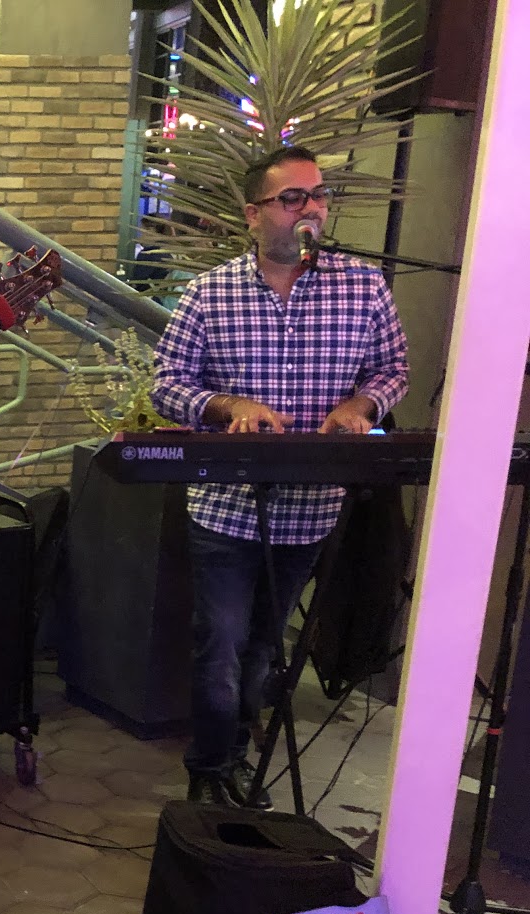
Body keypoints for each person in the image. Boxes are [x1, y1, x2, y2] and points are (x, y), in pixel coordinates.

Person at [150, 145, 408, 810]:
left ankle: (237, 753)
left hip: (312, 508)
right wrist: (227, 405)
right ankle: (210, 768)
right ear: (254, 214)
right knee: (221, 643)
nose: (311, 208)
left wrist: (362, 407)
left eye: (318, 195)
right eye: (293, 198)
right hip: (227, 507)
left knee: (265, 647)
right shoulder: (209, 294)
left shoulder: (364, 287)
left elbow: (392, 370)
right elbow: (167, 384)